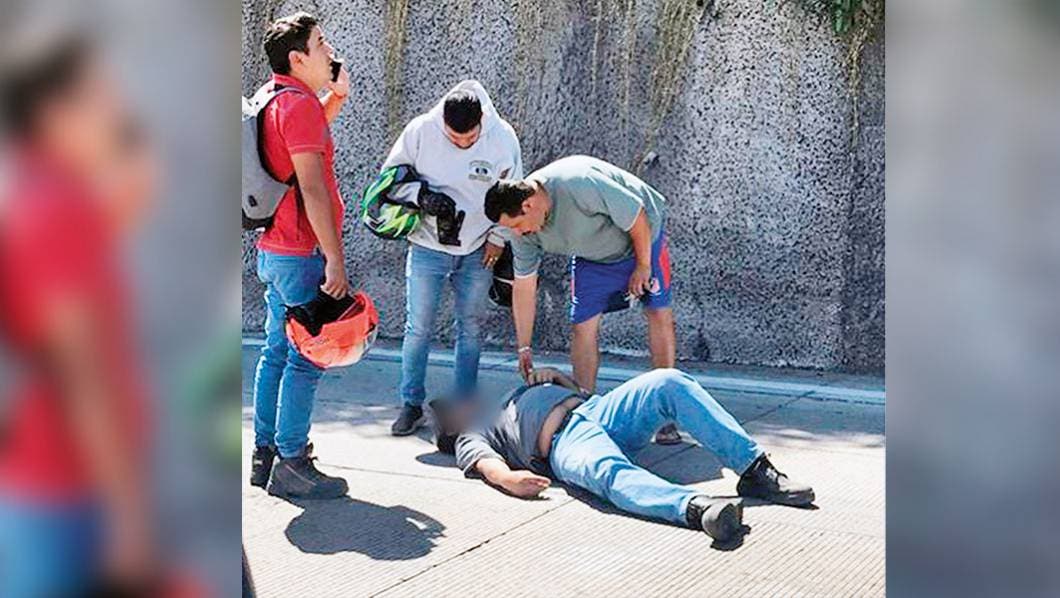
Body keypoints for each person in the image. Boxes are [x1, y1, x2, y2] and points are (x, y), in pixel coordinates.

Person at [0, 27, 159, 595]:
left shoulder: (38, 191)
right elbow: (82, 371)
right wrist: (128, 515)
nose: (115, 110)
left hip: (45, 485)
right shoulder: (55, 208)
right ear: (54, 113)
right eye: (100, 95)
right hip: (64, 491)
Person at [454, 368, 814, 542]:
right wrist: (510, 479)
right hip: (566, 442)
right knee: (607, 472)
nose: (461, 400)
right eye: (451, 408)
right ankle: (695, 508)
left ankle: (755, 470)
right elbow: (487, 466)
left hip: (599, 410)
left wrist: (559, 378)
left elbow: (584, 391)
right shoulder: (474, 432)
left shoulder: (512, 394)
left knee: (668, 381)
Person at [484, 155, 681, 443]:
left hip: (641, 239)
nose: (516, 233)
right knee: (582, 326)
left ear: (528, 205)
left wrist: (643, 266)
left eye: (517, 225)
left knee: (657, 312)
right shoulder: (522, 232)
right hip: (593, 257)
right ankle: (585, 408)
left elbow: (636, 215)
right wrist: (524, 346)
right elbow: (524, 285)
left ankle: (666, 412)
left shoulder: (577, 183)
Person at [248, 12, 353, 499]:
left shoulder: (276, 98)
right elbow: (311, 185)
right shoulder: (300, 106)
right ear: (298, 58)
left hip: (274, 250)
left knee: (275, 352)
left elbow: (295, 153)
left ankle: (265, 454)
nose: (330, 51)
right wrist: (334, 258)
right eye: (321, 43)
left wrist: (337, 97)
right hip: (301, 251)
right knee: (307, 359)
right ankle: (292, 461)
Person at [382, 80, 522, 436]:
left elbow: (514, 193)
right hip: (427, 244)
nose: (461, 143)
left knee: (471, 327)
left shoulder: (502, 138)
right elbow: (389, 180)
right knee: (418, 328)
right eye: (453, 138)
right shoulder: (420, 131)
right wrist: (422, 197)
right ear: (442, 122)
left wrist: (498, 238)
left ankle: (464, 404)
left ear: (482, 122)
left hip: (478, 247)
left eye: (469, 138)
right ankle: (411, 404)